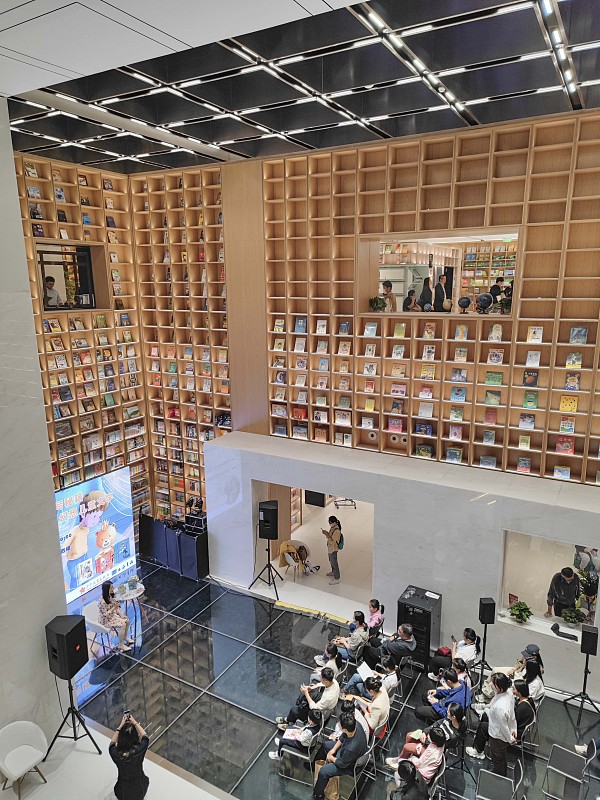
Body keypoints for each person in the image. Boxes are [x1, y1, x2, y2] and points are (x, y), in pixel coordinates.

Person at [466, 673, 516, 776]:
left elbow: (504, 727)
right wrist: (513, 728)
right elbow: (511, 716)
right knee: (500, 758)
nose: (491, 685)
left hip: (497, 737)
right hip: (497, 729)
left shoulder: (500, 707)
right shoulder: (508, 693)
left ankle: (498, 779)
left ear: (498, 687)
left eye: (493, 683)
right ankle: (479, 750)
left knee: (498, 759)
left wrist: (510, 739)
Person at [313, 713, 368, 800]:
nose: (338, 724)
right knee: (326, 745)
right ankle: (315, 768)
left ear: (345, 729)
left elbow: (342, 764)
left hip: (349, 765)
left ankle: (318, 794)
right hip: (345, 753)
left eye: (340, 724)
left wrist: (331, 758)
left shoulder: (351, 748)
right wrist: (333, 750)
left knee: (324, 771)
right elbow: (343, 736)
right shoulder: (355, 724)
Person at [391, 703, 466, 764]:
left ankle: (401, 762)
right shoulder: (448, 720)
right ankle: (406, 757)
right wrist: (425, 732)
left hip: (432, 750)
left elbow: (440, 746)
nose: (446, 711)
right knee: (409, 736)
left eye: (448, 711)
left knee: (406, 747)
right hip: (430, 738)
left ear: (454, 717)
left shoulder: (453, 737)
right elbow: (436, 724)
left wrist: (425, 742)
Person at [64, 490, 110, 590]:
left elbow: (99, 538)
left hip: (84, 557)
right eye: (94, 516)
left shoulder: (88, 528)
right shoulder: (75, 531)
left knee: (86, 578)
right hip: (74, 561)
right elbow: (64, 546)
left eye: (99, 517)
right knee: (75, 581)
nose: (96, 520)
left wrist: (103, 531)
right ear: (83, 513)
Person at [478, 643, 543, 702]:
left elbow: (528, 684)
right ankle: (486, 688)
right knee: (495, 670)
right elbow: (520, 662)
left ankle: (487, 695)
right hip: (519, 673)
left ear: (534, 657)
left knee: (499, 678)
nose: (525, 657)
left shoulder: (536, 668)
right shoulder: (527, 657)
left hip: (522, 679)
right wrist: (513, 669)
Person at [109, 712, 149, 800]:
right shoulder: (140, 750)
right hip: (140, 789)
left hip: (122, 791)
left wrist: (120, 727)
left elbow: (112, 743)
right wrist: (135, 722)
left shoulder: (116, 754)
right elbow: (145, 736)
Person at [98, 580, 134, 652]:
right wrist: (113, 608)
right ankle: (121, 644)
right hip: (106, 620)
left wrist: (121, 615)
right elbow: (105, 615)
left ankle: (125, 637)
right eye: (111, 588)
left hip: (112, 616)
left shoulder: (111, 596)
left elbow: (117, 606)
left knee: (127, 621)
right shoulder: (102, 601)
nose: (113, 589)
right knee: (123, 624)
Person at [322, 515, 342, 585]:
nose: (330, 524)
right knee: (331, 561)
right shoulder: (332, 528)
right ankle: (333, 572)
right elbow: (330, 536)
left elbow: (333, 541)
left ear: (334, 522)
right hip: (330, 548)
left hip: (333, 549)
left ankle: (337, 578)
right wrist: (327, 533)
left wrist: (326, 535)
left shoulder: (337, 531)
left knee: (334, 563)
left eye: (331, 523)